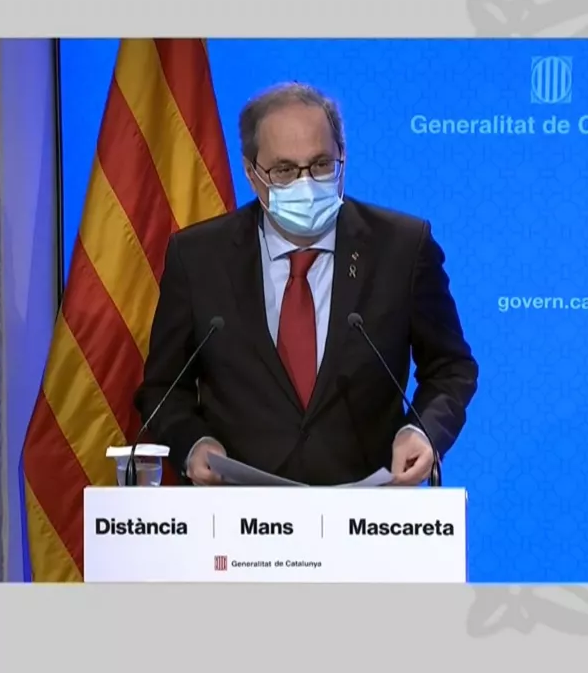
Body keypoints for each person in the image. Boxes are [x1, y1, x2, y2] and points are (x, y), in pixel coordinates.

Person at [135, 82, 479, 485]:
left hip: (365, 507)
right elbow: (163, 388)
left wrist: (421, 430)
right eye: (284, 170)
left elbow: (450, 368)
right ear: (251, 173)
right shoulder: (198, 257)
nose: (306, 184)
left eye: (320, 164)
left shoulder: (402, 248)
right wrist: (194, 443)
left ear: (343, 157)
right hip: (237, 507)